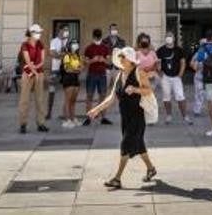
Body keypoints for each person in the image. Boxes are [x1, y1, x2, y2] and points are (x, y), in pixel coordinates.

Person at [88, 47, 157, 189]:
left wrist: (135, 89)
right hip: (125, 117)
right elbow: (112, 97)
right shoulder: (120, 75)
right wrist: (96, 109)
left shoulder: (139, 72)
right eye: (120, 57)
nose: (120, 59)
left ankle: (117, 178)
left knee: (125, 145)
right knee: (138, 144)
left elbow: (149, 90)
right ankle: (151, 169)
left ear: (131, 60)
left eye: (123, 57)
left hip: (137, 116)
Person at [17, 24, 50, 134]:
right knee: (24, 99)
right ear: (31, 33)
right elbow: (26, 60)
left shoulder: (40, 44)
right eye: (37, 32)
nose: (39, 34)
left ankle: (41, 123)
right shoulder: (25, 45)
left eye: (40, 32)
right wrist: (33, 70)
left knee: (40, 99)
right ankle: (23, 124)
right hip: (27, 74)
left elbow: (42, 60)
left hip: (38, 73)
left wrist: (36, 69)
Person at [155, 33, 190, 125]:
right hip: (165, 77)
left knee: (180, 96)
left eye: (170, 36)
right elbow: (157, 62)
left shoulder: (179, 50)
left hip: (176, 77)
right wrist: (160, 72)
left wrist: (181, 73)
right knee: (166, 97)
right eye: (167, 36)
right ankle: (169, 115)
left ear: (174, 38)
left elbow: (183, 62)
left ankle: (185, 116)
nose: (168, 38)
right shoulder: (161, 50)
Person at [83, 28, 113, 126]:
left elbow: (109, 62)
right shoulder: (89, 48)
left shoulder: (105, 48)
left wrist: (103, 60)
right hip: (92, 74)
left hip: (102, 74)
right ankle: (89, 117)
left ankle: (103, 117)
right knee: (90, 95)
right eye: (97, 37)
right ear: (94, 37)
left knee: (103, 96)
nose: (98, 39)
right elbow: (85, 62)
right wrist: (93, 60)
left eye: (98, 37)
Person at [47, 24, 71, 120]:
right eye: (65, 30)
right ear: (60, 30)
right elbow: (53, 54)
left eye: (67, 30)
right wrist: (64, 55)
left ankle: (65, 113)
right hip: (55, 69)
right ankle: (49, 112)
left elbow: (72, 54)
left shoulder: (69, 42)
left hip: (67, 69)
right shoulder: (54, 41)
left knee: (67, 91)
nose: (66, 32)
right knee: (51, 90)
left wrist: (60, 54)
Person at [60, 37, 84, 128]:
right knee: (67, 100)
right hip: (68, 79)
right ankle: (67, 119)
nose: (75, 45)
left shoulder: (77, 56)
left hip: (75, 79)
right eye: (73, 43)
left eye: (76, 43)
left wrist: (76, 69)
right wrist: (76, 69)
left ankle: (73, 118)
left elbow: (81, 67)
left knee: (73, 100)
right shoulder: (67, 56)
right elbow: (67, 69)